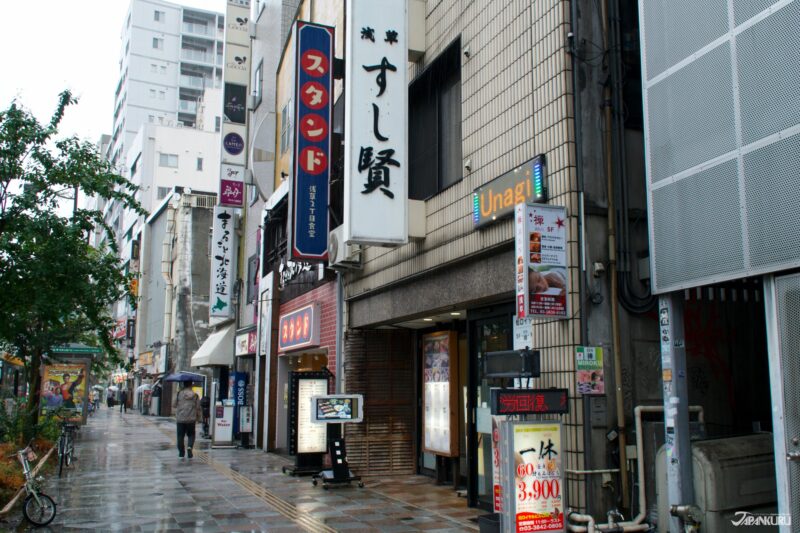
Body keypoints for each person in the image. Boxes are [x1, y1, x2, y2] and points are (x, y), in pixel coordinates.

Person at [174, 382, 201, 458]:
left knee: (180, 436)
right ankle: (189, 447)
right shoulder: (195, 395)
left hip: (180, 419)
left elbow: (174, 404)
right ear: (191, 385)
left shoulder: (179, 394)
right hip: (191, 419)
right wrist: (199, 418)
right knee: (191, 434)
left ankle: (181, 453)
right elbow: (198, 407)